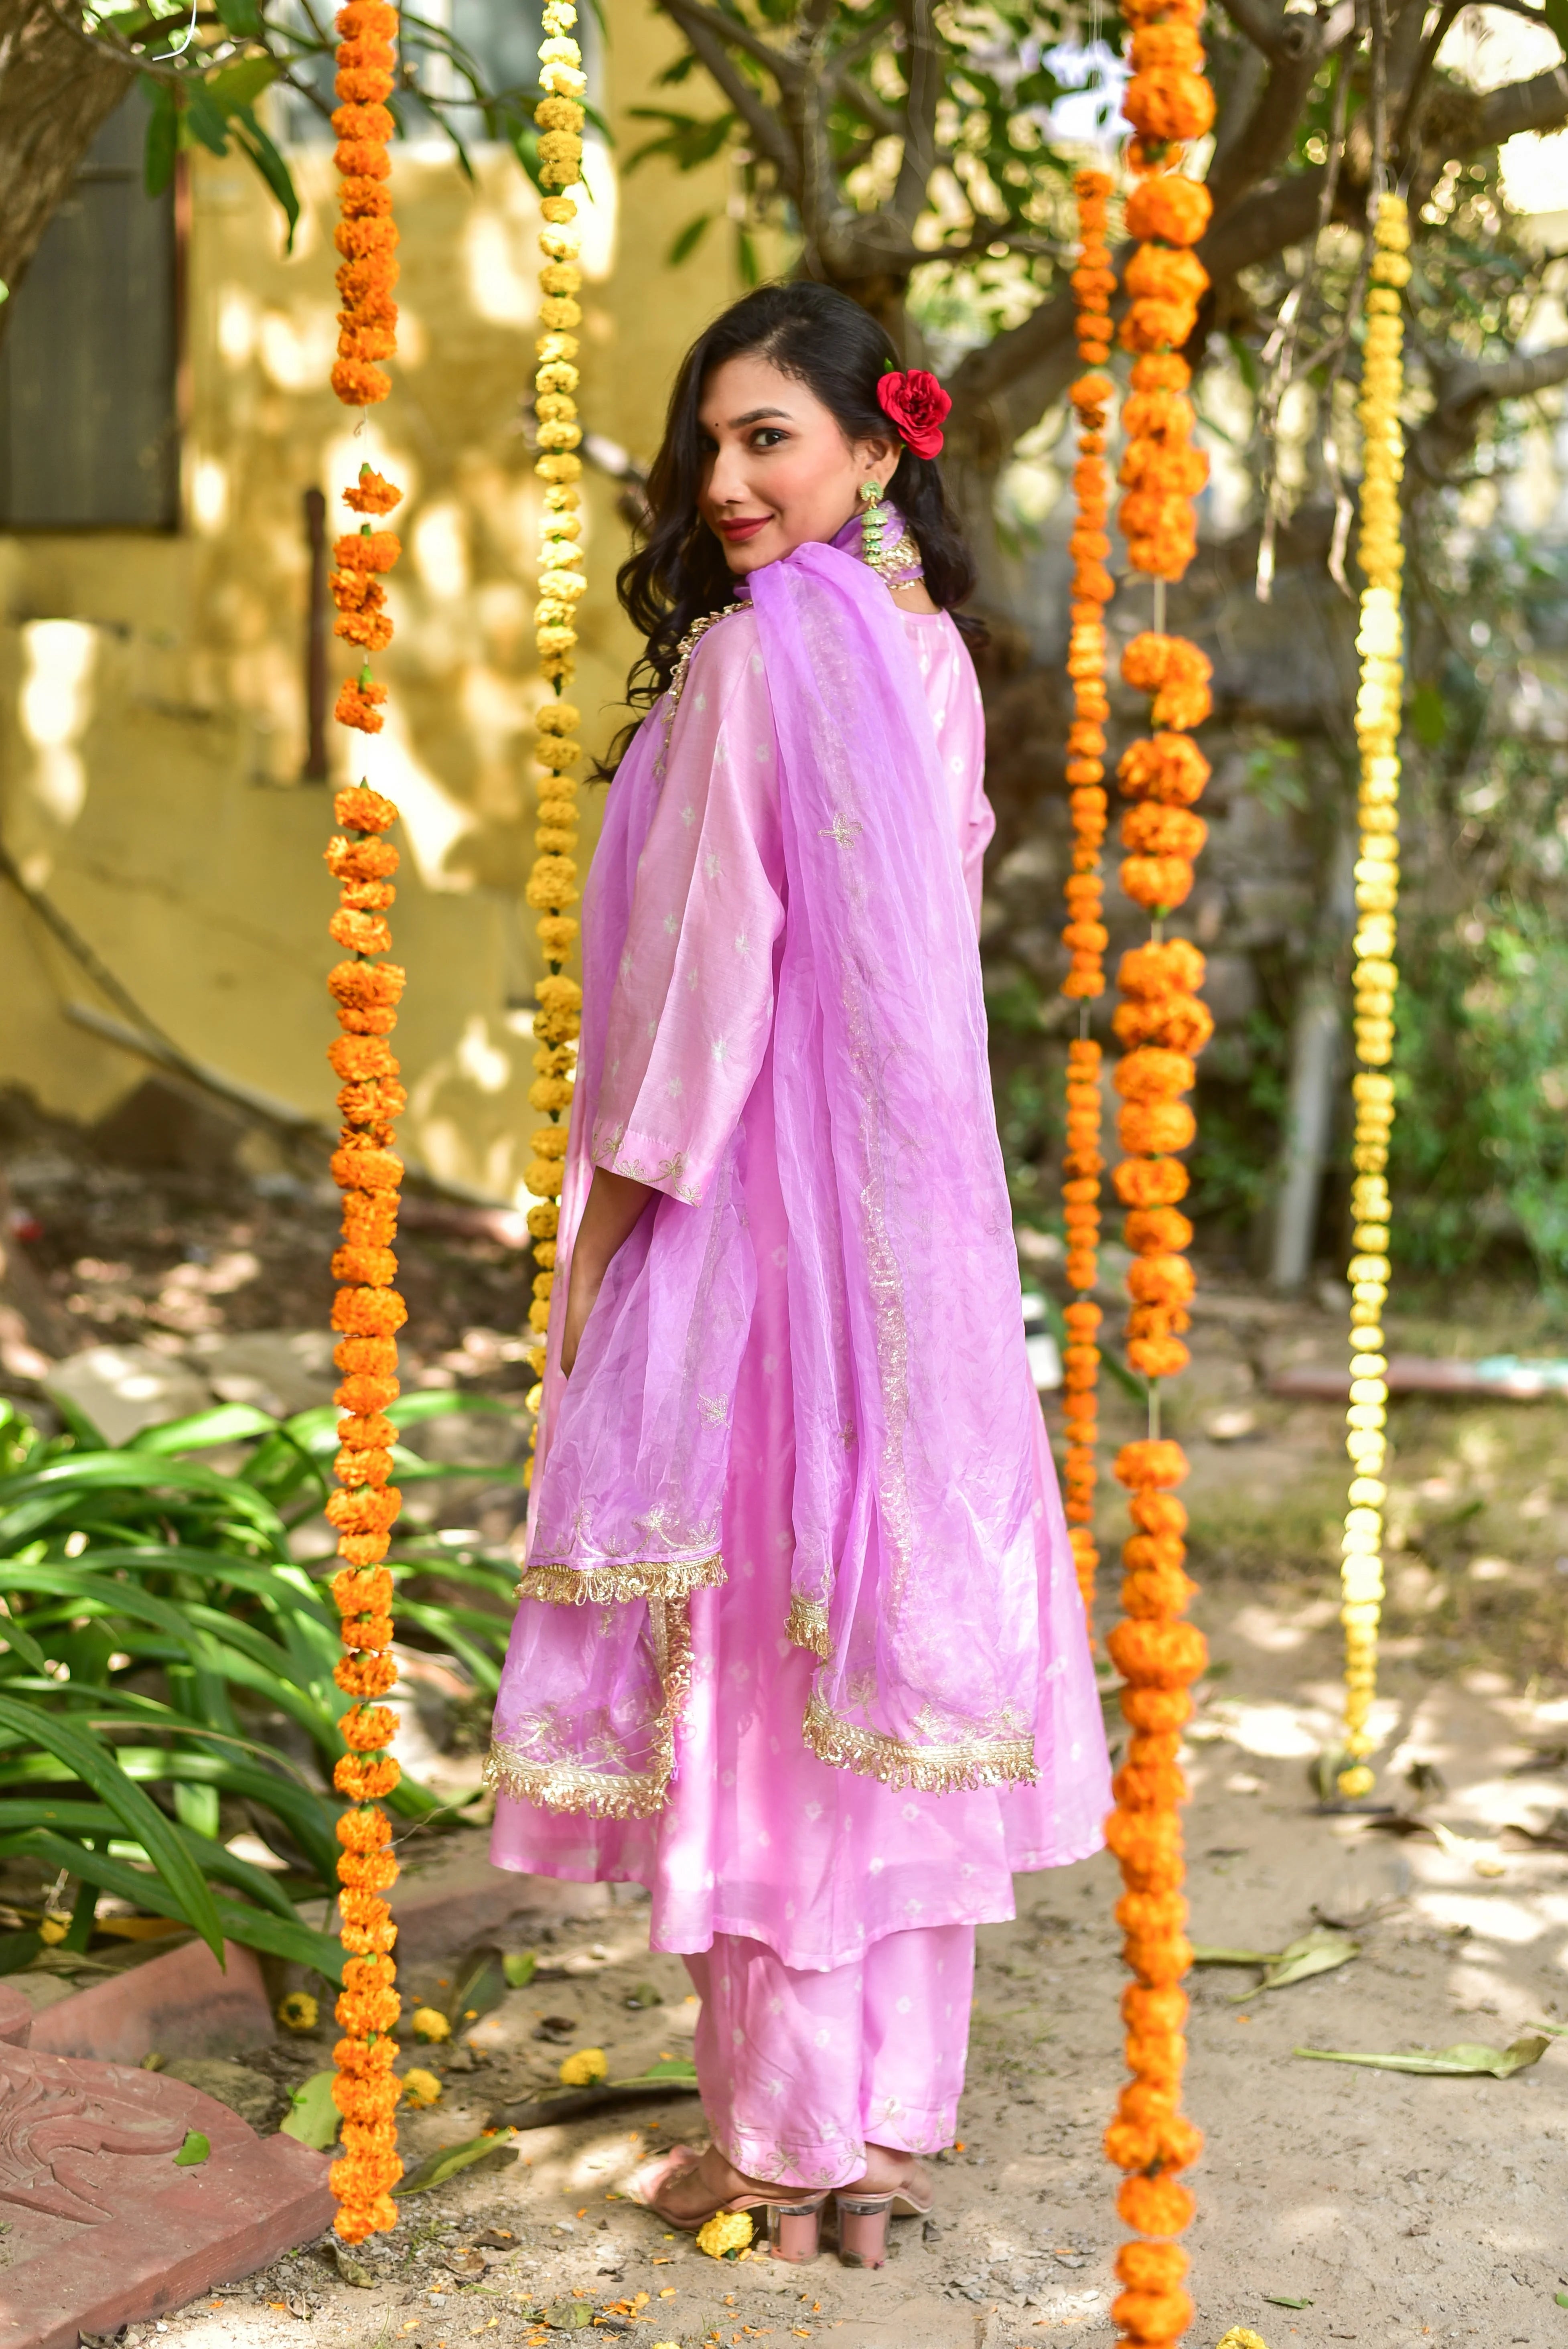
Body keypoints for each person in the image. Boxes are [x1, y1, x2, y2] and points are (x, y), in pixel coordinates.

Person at [487, 282, 1110, 2266]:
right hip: (911, 1247)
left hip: (757, 1229)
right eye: (715, 439)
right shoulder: (930, 654)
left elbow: (700, 981)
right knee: (882, 1638)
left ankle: (781, 2134)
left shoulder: (762, 658)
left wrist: (602, 1228)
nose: (731, 478)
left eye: (773, 436)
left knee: (766, 1660)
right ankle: (884, 2133)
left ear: (875, 443)